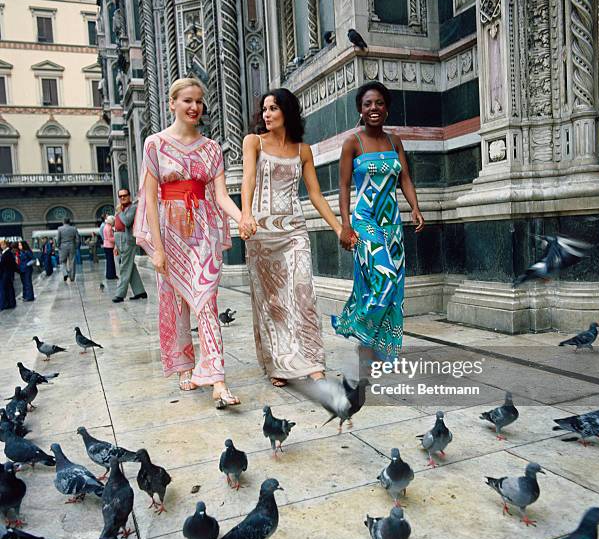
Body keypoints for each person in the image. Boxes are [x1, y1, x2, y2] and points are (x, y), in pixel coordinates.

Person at [134, 77, 242, 407]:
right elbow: (149, 198)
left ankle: (218, 380)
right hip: (169, 229)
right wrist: (159, 249)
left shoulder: (211, 148)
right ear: (172, 104)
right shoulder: (154, 143)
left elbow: (221, 195)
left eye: (198, 101)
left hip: (203, 232)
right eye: (187, 101)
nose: (194, 107)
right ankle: (185, 365)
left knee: (207, 301)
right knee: (177, 302)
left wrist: (242, 218)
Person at [239, 88, 348, 387]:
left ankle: (312, 361)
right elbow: (248, 178)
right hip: (261, 233)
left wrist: (338, 228)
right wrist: (245, 214)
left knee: (304, 294)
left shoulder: (303, 150)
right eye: (264, 109)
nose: (267, 114)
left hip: (295, 230)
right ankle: (280, 365)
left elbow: (315, 195)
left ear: (287, 111)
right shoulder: (254, 142)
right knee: (272, 301)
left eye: (273, 108)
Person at [332, 81, 424, 362]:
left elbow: (404, 177)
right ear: (360, 110)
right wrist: (345, 225)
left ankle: (383, 348)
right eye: (368, 104)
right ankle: (359, 326)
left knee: (393, 287)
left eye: (379, 103)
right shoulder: (353, 143)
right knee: (383, 277)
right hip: (365, 220)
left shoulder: (394, 140)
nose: (374, 108)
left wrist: (415, 207)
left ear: (387, 108)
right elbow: (344, 186)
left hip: (392, 222)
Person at [112, 188, 147, 303]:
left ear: (129, 196)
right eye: (120, 196)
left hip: (127, 240)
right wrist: (116, 246)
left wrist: (119, 212)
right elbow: (117, 226)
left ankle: (120, 294)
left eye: (125, 195)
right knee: (130, 265)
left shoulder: (133, 208)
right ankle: (140, 291)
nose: (123, 198)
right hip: (119, 239)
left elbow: (127, 222)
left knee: (125, 266)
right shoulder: (121, 209)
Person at [57, 217, 79, 282]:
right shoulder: (74, 228)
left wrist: (58, 246)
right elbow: (77, 239)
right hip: (72, 246)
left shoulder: (60, 229)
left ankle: (65, 273)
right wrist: (76, 246)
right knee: (72, 261)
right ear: (69, 221)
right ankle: (72, 277)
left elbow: (58, 239)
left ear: (63, 222)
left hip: (63, 246)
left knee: (62, 261)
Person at [0, 239, 17, 310]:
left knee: (6, 289)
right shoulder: (7, 253)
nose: (0, 246)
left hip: (5, 274)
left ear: (5, 245)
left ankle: (7, 304)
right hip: (8, 274)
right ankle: (11, 303)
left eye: (1, 245)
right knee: (9, 289)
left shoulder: (6, 253)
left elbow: (3, 265)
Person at [103, 215, 118, 280]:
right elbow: (110, 238)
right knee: (111, 261)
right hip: (109, 245)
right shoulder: (109, 228)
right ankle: (111, 275)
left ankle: (109, 274)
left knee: (109, 261)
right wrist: (117, 238)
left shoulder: (105, 226)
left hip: (106, 245)